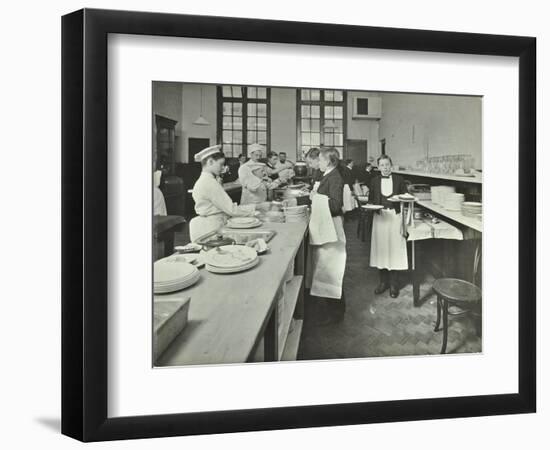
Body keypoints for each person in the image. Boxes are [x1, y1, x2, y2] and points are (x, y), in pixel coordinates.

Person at [306, 147, 347, 325]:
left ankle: (336, 313)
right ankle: (331, 309)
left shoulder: (335, 177)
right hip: (327, 226)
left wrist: (316, 197)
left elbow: (336, 205)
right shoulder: (327, 175)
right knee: (325, 268)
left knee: (332, 269)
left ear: (329, 161)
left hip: (333, 228)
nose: (319, 163)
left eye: (321, 160)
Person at [189, 145, 256, 242]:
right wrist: (255, 208)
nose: (223, 168)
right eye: (221, 164)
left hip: (211, 225)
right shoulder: (209, 183)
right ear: (210, 162)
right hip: (212, 227)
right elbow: (231, 209)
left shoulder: (205, 180)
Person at [368, 154, 409, 298]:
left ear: (391, 165)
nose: (385, 168)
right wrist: (372, 206)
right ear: (378, 167)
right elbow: (371, 199)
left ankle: (394, 285)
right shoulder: (373, 181)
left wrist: (401, 198)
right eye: (382, 165)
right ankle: (383, 283)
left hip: (395, 217)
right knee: (381, 249)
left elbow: (406, 196)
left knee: (395, 250)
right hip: (380, 217)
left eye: (387, 164)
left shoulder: (399, 179)